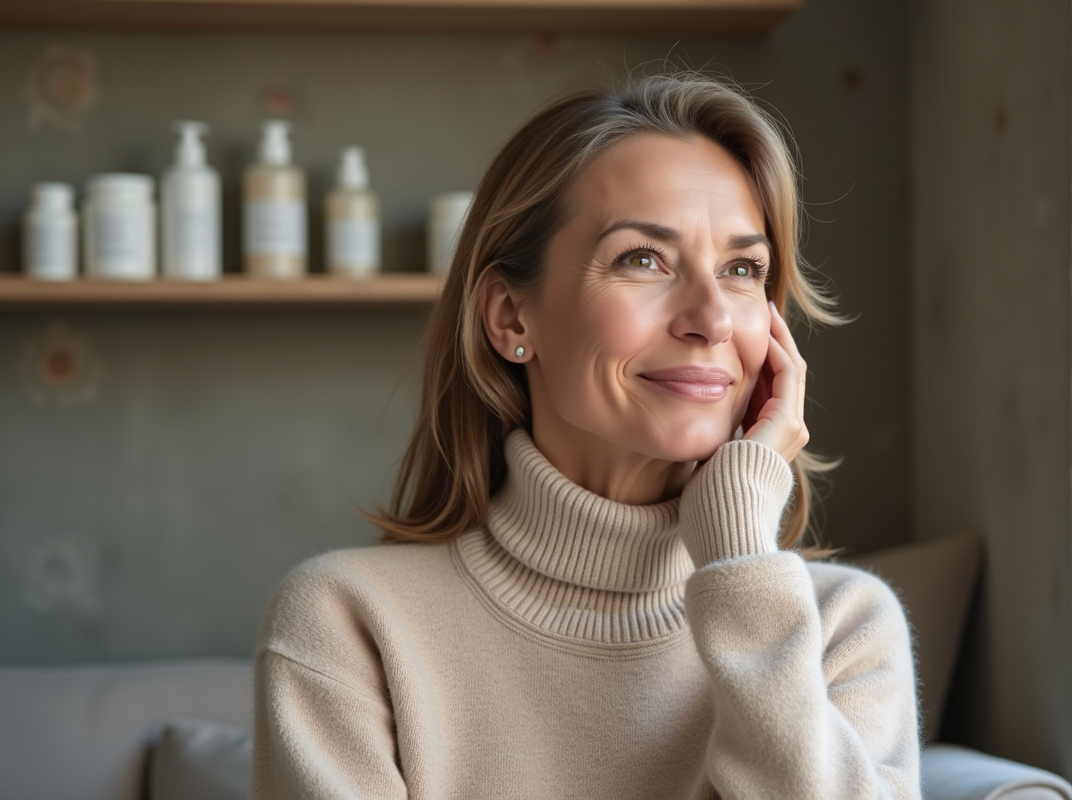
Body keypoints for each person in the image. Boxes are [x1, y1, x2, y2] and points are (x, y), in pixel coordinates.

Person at [251, 71, 920, 799]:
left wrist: (738, 558)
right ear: (512, 318)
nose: (713, 319)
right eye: (644, 259)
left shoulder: (841, 627)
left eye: (741, 269)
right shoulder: (347, 622)